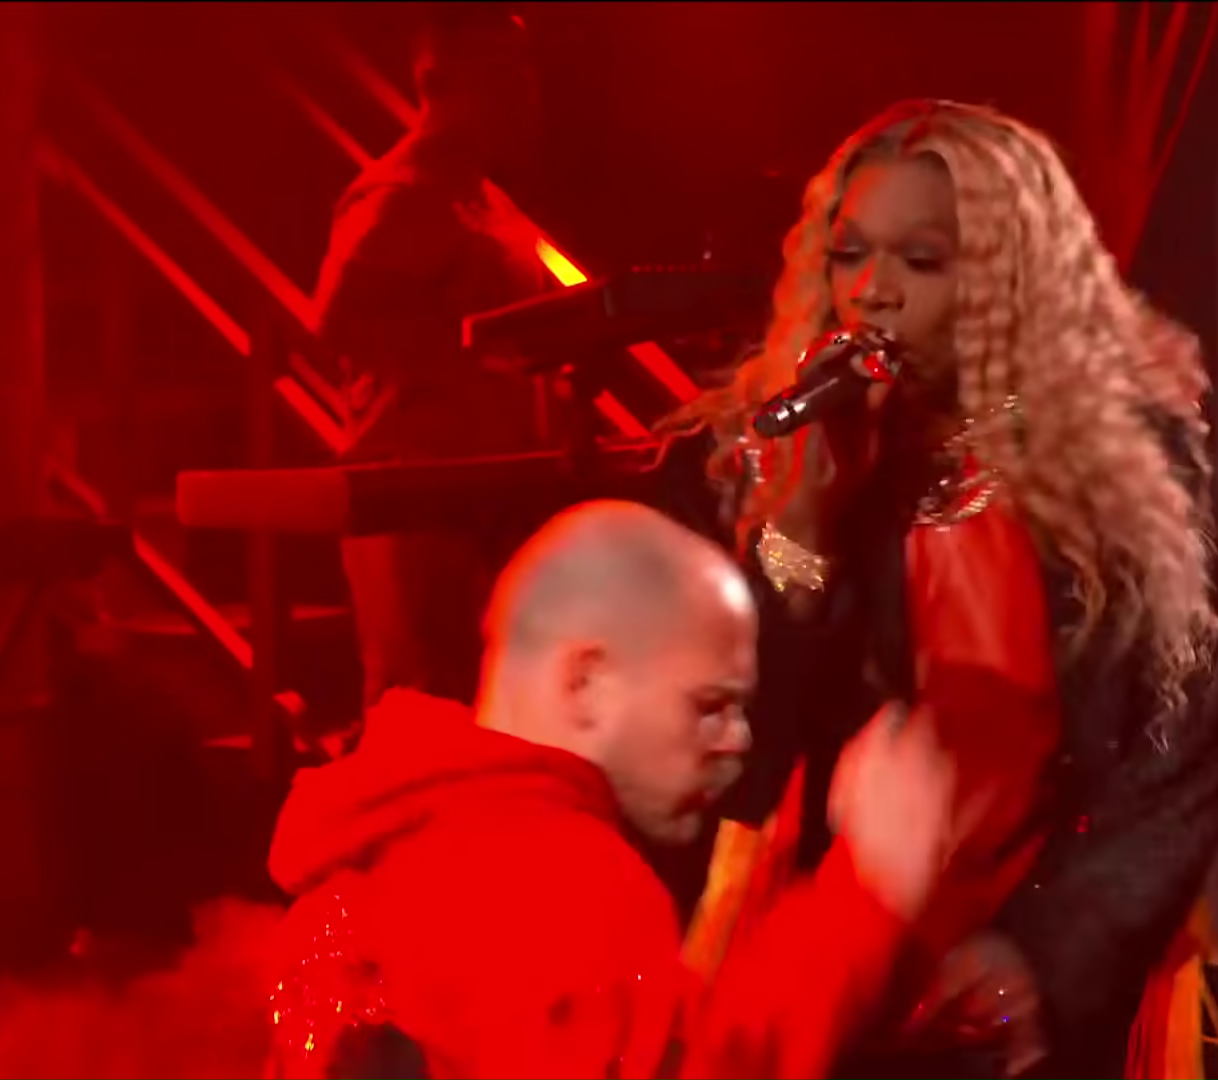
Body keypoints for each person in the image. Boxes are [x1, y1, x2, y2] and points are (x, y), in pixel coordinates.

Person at [665, 99, 1218, 1080]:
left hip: (1033, 988)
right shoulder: (779, 452)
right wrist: (802, 531)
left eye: (922, 262)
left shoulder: (1131, 470)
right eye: (850, 256)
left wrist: (1045, 956)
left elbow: (1181, 758)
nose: (873, 294)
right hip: (832, 973)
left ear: (1010, 278)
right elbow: (736, 756)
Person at [263, 500, 957, 1080]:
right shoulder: (562, 885)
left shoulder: (392, 826)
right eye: (708, 705)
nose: (737, 738)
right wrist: (863, 906)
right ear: (586, 682)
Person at [314, 2, 556, 709]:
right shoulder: (402, 196)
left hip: (485, 499)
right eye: (502, 74)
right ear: (441, 83)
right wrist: (466, 366)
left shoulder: (489, 203)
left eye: (525, 72)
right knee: (422, 709)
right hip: (415, 508)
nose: (524, 91)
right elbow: (339, 320)